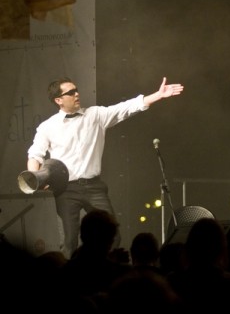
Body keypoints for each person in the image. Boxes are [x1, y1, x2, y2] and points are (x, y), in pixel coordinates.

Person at [26, 76, 184, 258]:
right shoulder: (48, 127)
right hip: (66, 190)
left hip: (94, 187)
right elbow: (35, 154)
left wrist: (158, 95)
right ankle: (72, 275)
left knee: (113, 236)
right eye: (71, 92)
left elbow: (127, 108)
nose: (77, 94)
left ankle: (104, 270)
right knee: (69, 243)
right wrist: (36, 177)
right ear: (58, 100)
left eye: (76, 90)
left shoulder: (95, 115)